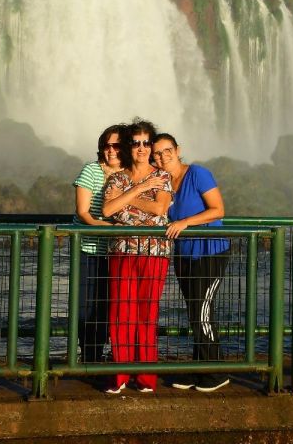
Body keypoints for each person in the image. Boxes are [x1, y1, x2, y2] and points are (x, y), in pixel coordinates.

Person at [153, 133, 229, 393]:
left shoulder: (198, 173)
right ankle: (200, 369)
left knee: (202, 312)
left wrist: (185, 222)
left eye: (167, 150)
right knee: (194, 311)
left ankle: (215, 372)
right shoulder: (163, 182)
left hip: (210, 252)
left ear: (178, 150)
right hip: (184, 254)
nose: (162, 156)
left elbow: (218, 210)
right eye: (157, 153)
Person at [101, 119, 172, 394]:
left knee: (147, 313)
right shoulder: (117, 177)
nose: (141, 148)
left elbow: (158, 210)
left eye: (146, 143)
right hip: (122, 251)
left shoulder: (162, 176)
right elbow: (107, 211)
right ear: (129, 147)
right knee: (120, 312)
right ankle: (118, 376)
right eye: (136, 142)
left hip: (154, 253)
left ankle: (145, 378)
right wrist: (140, 189)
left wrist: (126, 199)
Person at [71, 123, 127, 364]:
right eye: (106, 146)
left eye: (116, 145)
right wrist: (111, 229)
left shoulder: (130, 174)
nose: (111, 150)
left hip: (116, 252)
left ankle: (104, 357)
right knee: (86, 307)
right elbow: (84, 214)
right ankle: (89, 358)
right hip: (88, 249)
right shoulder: (91, 171)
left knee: (109, 308)